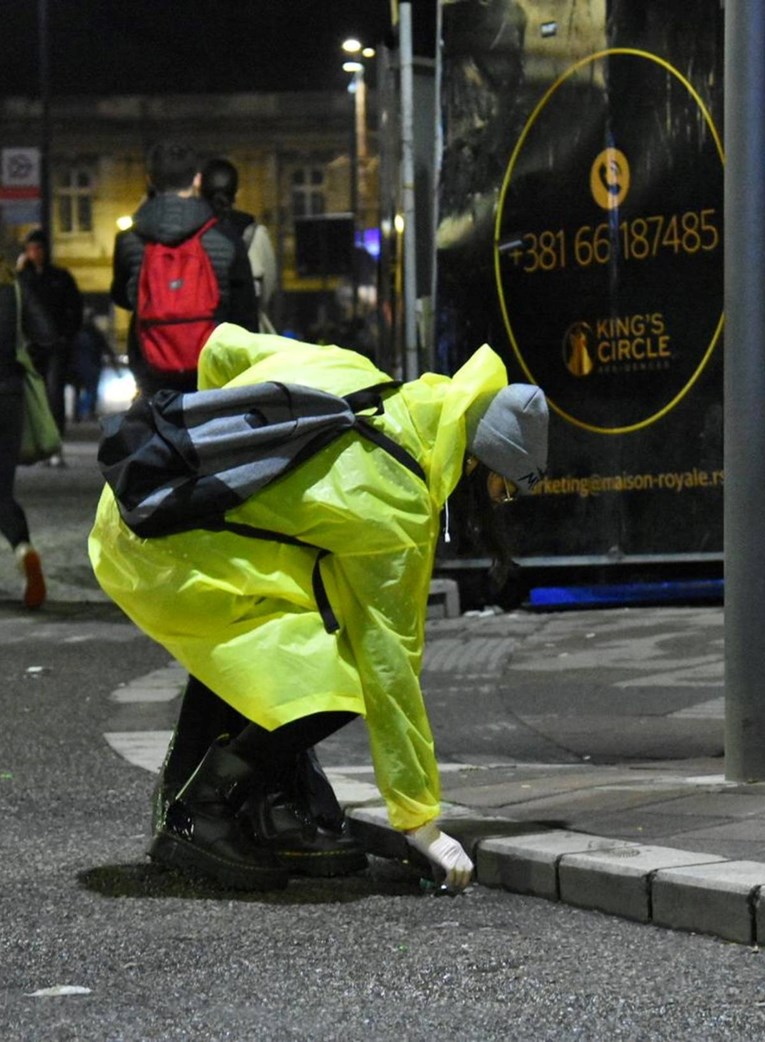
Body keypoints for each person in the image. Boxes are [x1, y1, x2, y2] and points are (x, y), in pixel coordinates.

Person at [88, 324, 549, 893]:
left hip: (146, 497)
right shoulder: (398, 505)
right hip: (169, 552)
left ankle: (252, 796)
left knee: (278, 638)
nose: (499, 507)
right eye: (504, 490)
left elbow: (223, 347)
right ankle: (205, 808)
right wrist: (421, 822)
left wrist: (223, 452)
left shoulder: (355, 371)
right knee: (344, 675)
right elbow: (391, 669)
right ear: (476, 465)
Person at [111, 142, 259, 398]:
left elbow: (121, 296)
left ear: (150, 180)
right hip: (211, 363)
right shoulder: (223, 237)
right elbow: (244, 312)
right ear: (197, 180)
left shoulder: (129, 240)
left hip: (151, 363)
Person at [0, 257, 58, 608]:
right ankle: (24, 548)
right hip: (9, 396)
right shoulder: (16, 288)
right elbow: (47, 335)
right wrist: (23, 362)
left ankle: (23, 551)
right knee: (2, 489)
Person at [17, 229, 83, 464]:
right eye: (30, 249)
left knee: (54, 394)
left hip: (56, 345)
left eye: (38, 248)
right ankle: (40, 442)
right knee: (36, 395)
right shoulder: (23, 279)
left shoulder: (60, 277)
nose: (34, 254)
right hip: (33, 346)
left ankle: (55, 444)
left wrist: (66, 336)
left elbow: (75, 309)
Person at [200, 157, 278, 333]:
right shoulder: (255, 233)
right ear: (237, 193)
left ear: (200, 190)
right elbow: (268, 289)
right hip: (247, 335)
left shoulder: (192, 231)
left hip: (203, 333)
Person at [70, 307, 119, 421]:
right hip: (92, 365)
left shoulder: (75, 332)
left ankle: (77, 413)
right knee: (91, 391)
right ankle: (87, 411)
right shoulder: (95, 333)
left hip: (78, 366)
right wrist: (115, 366)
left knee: (78, 391)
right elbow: (107, 349)